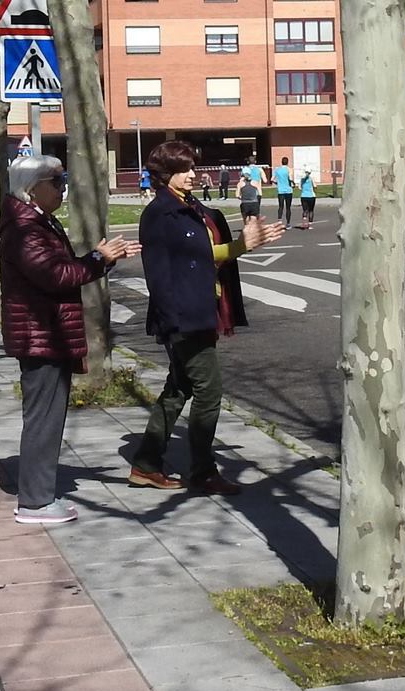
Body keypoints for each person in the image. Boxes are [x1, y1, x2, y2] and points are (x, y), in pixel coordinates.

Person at [129, 141, 285, 494]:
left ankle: (146, 464)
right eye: (184, 170)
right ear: (166, 174)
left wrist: (246, 243)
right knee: (208, 391)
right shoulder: (161, 215)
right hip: (184, 316)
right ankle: (202, 471)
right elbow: (189, 262)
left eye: (192, 168)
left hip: (199, 310)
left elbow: (202, 254)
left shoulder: (190, 207)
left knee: (179, 389)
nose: (193, 174)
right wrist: (243, 246)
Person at [0, 154, 140, 524]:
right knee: (43, 419)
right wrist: (97, 258)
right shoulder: (25, 229)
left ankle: (39, 495)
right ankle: (35, 501)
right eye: (56, 182)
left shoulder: (36, 222)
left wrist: (102, 259)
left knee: (48, 417)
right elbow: (55, 275)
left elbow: (62, 270)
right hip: (39, 334)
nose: (63, 189)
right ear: (33, 189)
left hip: (48, 332)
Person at [273, 157, 295, 228]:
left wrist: (277, 183)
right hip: (288, 190)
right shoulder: (289, 169)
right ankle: (288, 223)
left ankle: (279, 221)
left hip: (280, 190)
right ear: (287, 162)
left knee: (280, 206)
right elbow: (290, 178)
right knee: (288, 207)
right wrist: (293, 183)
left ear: (281, 162)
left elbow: (272, 179)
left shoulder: (277, 170)